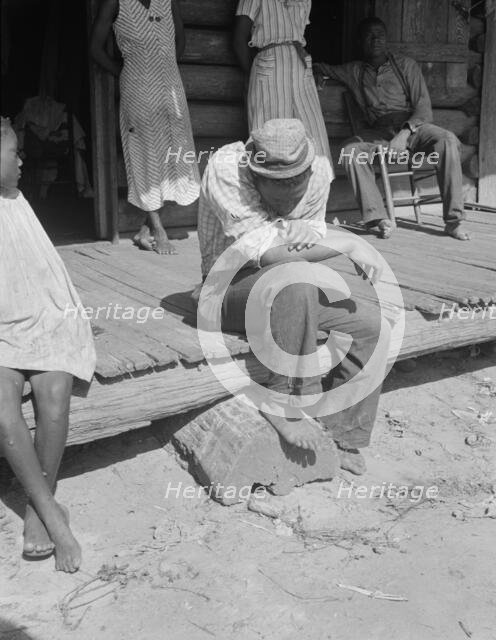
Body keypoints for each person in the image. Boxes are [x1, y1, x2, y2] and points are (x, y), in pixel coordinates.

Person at [196, 118, 392, 475]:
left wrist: (310, 241)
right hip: (226, 286)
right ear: (255, 173)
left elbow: (310, 239)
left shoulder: (319, 170)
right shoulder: (226, 168)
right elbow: (274, 254)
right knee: (293, 277)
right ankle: (280, 402)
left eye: (296, 181)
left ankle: (344, 433)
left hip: (288, 284)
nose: (290, 192)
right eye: (277, 184)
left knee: (369, 325)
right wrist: (348, 243)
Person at [0, 117, 97, 572]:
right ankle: (53, 516)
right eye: (13, 152)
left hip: (43, 314)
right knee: (2, 410)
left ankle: (41, 511)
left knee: (53, 394)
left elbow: (45, 276)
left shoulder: (14, 200)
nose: (21, 161)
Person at [315, 17, 471, 241]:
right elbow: (320, 66)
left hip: (414, 129)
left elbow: (424, 109)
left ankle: (454, 221)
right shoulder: (354, 71)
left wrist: (404, 134)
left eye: (380, 34)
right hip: (378, 133)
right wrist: (318, 72)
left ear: (386, 39)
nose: (376, 39)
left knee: (446, 139)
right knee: (350, 151)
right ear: (360, 41)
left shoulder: (406, 65)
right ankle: (378, 219)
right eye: (369, 35)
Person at [90, 0, 200, 254]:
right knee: (145, 152)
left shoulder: (167, 2)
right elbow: (95, 48)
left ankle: (144, 229)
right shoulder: (115, 3)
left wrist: (165, 67)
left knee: (175, 153)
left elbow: (179, 40)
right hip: (137, 88)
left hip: (170, 86)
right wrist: (126, 71)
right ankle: (158, 229)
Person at [233, 0, 333, 175]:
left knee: (312, 132)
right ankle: (271, 188)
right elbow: (238, 39)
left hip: (300, 63)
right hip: (270, 62)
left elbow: (298, 35)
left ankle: (316, 187)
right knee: (270, 131)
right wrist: (253, 74)